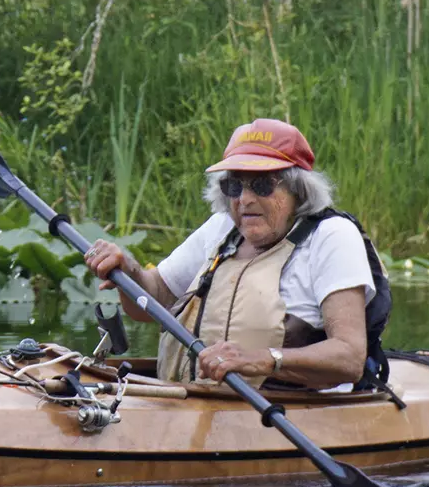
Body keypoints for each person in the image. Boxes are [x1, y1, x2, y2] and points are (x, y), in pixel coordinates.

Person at [84, 118, 390, 390]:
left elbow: (349, 358)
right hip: (190, 403)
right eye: (233, 186)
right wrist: (129, 271)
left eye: (261, 185)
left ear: (299, 191)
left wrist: (259, 359)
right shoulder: (222, 228)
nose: (244, 199)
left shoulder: (331, 236)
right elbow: (153, 298)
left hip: (287, 410)